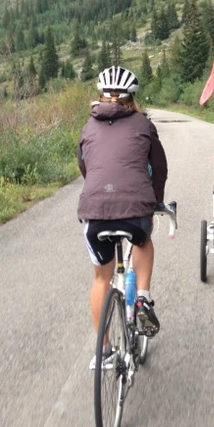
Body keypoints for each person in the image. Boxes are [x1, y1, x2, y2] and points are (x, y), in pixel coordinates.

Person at [77, 65, 168, 368]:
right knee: (143, 240)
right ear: (132, 97)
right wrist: (155, 202)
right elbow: (160, 167)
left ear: (100, 96)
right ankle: (142, 296)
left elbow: (85, 168)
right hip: (133, 210)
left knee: (101, 278)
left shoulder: (88, 127)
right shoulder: (143, 124)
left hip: (95, 211)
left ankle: (103, 352)